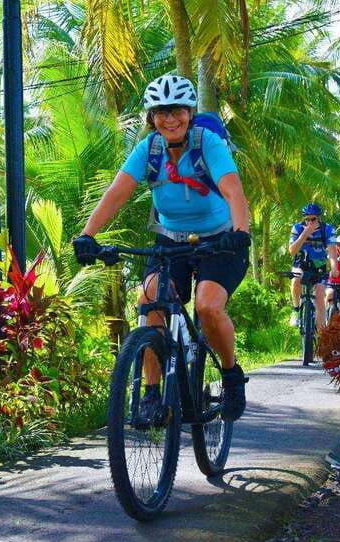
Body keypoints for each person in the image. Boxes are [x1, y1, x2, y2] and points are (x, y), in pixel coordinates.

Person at [71, 74, 251, 422]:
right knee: (150, 300)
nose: (170, 119)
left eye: (178, 111)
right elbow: (117, 193)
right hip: (170, 240)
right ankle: (152, 395)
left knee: (208, 306)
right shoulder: (148, 149)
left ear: (190, 112)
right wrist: (88, 235)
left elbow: (233, 191)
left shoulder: (208, 143)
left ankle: (230, 376)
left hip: (221, 239)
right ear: (151, 118)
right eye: (161, 112)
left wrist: (240, 231)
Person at [288, 203, 337, 332]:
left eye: (313, 219)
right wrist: (304, 234)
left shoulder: (327, 229)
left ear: (319, 218)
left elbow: (332, 251)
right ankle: (296, 309)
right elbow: (292, 251)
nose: (310, 222)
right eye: (307, 219)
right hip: (301, 262)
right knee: (295, 278)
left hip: (319, 264)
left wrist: (334, 267)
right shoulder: (297, 228)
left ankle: (321, 334)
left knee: (320, 297)